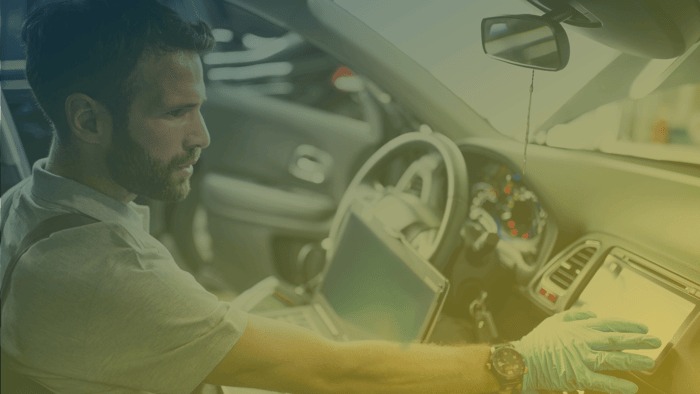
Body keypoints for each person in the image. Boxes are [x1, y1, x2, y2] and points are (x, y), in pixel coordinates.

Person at [0, 1, 662, 393]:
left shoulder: (33, 208)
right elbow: (337, 376)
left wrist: (219, 320)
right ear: (88, 120)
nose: (203, 136)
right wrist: (522, 361)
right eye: (175, 113)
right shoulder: (100, 270)